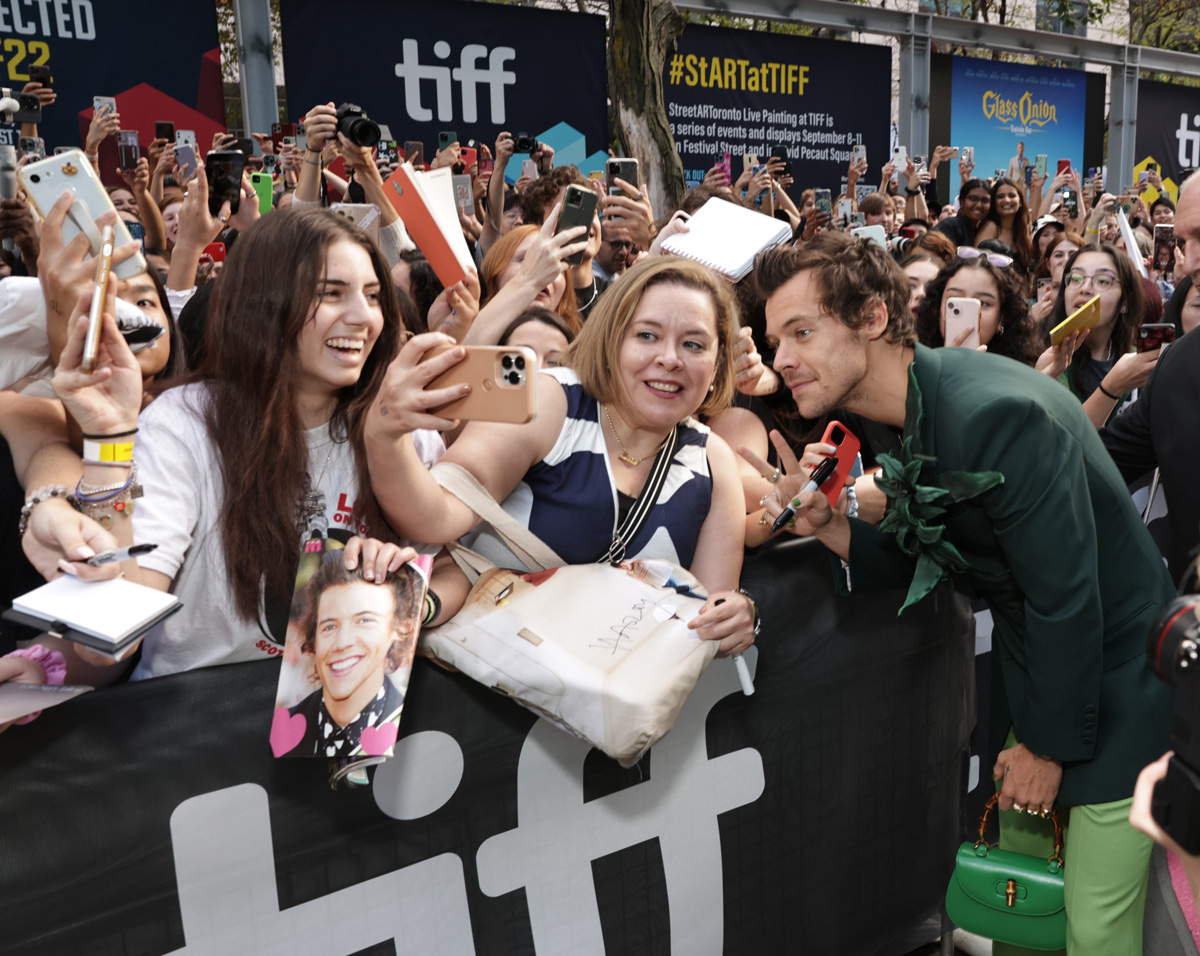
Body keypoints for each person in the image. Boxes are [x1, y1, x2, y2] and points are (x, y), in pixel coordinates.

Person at [755, 232, 1175, 956]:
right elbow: (952, 550)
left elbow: (1065, 594)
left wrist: (1043, 744)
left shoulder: (992, 413)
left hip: (1120, 695)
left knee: (1094, 931)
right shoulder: (905, 413)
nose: (780, 358)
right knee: (1023, 914)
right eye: (774, 338)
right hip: (1048, 689)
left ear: (875, 318)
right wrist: (836, 528)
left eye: (801, 331)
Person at [37, 207, 461, 684]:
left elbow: (457, 566)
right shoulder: (185, 425)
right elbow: (106, 643)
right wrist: (108, 442)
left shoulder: (400, 426)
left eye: (373, 296)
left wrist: (404, 601)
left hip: (344, 725)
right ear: (264, 304)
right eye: (330, 294)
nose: (364, 318)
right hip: (194, 729)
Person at [364, 256, 757, 656]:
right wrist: (384, 434)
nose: (670, 359)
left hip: (611, 706)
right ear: (611, 339)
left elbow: (707, 621)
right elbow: (433, 516)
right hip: (486, 691)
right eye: (647, 336)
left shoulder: (712, 462)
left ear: (716, 362)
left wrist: (739, 617)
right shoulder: (550, 403)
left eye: (693, 344)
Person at [280, 550, 423, 757]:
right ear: (313, 638)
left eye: (364, 621)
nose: (342, 643)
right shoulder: (289, 728)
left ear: (399, 628)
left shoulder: (412, 724)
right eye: (329, 627)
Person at [1048, 244, 1159, 427]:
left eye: (1103, 281)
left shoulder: (1137, 359)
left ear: (1125, 303)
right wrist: (1112, 387)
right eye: (1076, 278)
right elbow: (1070, 437)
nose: (1084, 288)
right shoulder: (1050, 358)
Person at [974, 178, 1034, 271]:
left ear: (1021, 202)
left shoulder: (1022, 229)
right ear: (994, 202)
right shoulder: (991, 226)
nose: (1006, 200)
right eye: (1000, 196)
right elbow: (977, 265)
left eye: (1012, 195)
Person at [933, 179, 991, 247]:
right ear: (962, 201)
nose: (979, 205)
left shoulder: (981, 230)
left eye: (985, 200)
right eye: (973, 199)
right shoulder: (950, 226)